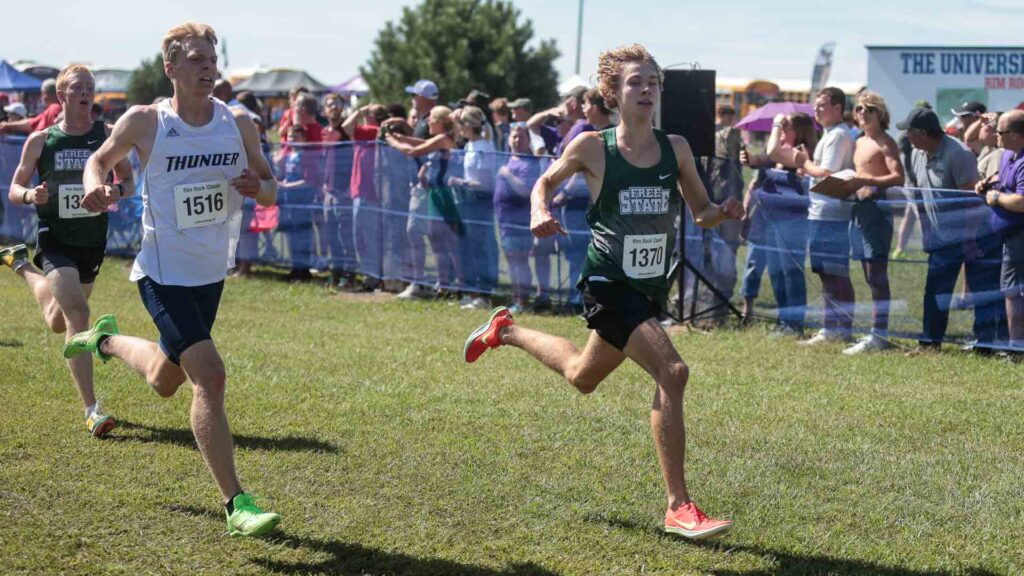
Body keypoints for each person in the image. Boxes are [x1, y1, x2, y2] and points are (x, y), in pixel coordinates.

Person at [464, 44, 743, 540]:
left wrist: (725, 210)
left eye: (653, 82)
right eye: (636, 82)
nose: (647, 90)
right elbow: (543, 184)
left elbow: (700, 211)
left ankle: (504, 331)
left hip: (648, 287)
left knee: (581, 375)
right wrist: (538, 210)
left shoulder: (675, 147)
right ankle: (679, 506)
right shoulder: (594, 147)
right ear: (614, 92)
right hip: (608, 283)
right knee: (672, 371)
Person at [61, 22, 280, 537]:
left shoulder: (238, 122)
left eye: (213, 59)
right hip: (161, 274)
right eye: (198, 60)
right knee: (211, 375)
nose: (209, 69)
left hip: (210, 276)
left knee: (165, 378)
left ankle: (105, 340)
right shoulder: (146, 122)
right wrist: (96, 188)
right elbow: (99, 160)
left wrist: (258, 186)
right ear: (172, 68)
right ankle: (237, 504)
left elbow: (269, 187)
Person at [0, 65, 134, 438]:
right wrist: (31, 195)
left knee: (59, 320)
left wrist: (115, 192)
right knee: (79, 313)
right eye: (78, 87)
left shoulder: (106, 135)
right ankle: (92, 409)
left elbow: (129, 181)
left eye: (90, 87)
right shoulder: (42, 140)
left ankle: (21, 264)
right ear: (61, 95)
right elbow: (14, 187)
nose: (86, 93)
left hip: (91, 239)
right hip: (54, 238)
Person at [900, 106, 1004, 350]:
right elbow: (921, 196)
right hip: (941, 238)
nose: (907, 137)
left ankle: (985, 343)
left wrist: (968, 241)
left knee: (981, 290)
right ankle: (930, 342)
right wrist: (927, 230)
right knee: (935, 290)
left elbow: (971, 202)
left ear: (922, 133)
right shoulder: (917, 153)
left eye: (910, 132)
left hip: (974, 235)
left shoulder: (958, 154)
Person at [838, 91, 904, 354]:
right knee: (867, 273)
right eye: (858, 109)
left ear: (880, 114)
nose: (862, 113)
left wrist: (867, 182)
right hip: (859, 210)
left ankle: (880, 335)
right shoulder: (859, 140)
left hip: (877, 211)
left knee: (877, 274)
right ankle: (876, 333)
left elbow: (898, 177)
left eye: (868, 109)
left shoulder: (885, 142)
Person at [741, 112, 816, 334]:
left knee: (791, 272)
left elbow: (774, 151)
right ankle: (784, 321)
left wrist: (775, 122)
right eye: (781, 127)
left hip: (792, 222)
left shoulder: (801, 154)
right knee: (776, 272)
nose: (782, 131)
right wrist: (749, 159)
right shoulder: (777, 153)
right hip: (769, 220)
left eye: (787, 127)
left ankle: (795, 323)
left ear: (800, 131)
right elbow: (760, 160)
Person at [796, 87, 856, 345]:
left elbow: (826, 172)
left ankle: (838, 328)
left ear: (837, 108)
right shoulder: (830, 134)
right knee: (825, 273)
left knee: (835, 273)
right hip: (821, 213)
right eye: (816, 106)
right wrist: (808, 169)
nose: (816, 111)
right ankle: (831, 326)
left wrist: (803, 162)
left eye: (822, 106)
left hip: (832, 215)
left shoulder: (839, 135)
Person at [386, 106, 462, 296]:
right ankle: (444, 285)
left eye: (432, 119)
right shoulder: (440, 139)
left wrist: (392, 141)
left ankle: (462, 287)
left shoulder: (442, 138)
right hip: (436, 193)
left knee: (451, 244)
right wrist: (402, 138)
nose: (427, 122)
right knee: (438, 242)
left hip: (446, 195)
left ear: (441, 123)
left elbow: (414, 151)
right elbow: (422, 142)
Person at [978, 109, 1024, 352]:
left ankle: (1017, 346)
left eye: (1001, 131)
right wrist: (987, 184)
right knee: (1012, 291)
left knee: (1014, 291)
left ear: (1016, 135)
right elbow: (1004, 180)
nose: (996, 135)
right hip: (1010, 236)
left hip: (1020, 236)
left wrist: (995, 197)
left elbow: (1022, 201)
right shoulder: (1007, 155)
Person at [448, 105, 498, 309]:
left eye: (461, 124)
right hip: (467, 203)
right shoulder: (470, 145)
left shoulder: (484, 148)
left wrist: (459, 182)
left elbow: (485, 183)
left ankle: (483, 295)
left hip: (479, 203)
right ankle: (472, 291)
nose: (458, 128)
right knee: (467, 248)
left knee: (479, 248)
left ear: (468, 125)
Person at [494, 122, 541, 313]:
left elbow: (525, 191)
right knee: (511, 261)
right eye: (514, 136)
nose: (516, 139)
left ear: (528, 141)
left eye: (521, 136)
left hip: (519, 223)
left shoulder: (529, 163)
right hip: (504, 222)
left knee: (519, 261)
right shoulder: (508, 159)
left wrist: (507, 175)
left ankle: (522, 301)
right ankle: (516, 298)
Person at [342, 104, 388, 291]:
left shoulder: (371, 130)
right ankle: (370, 274)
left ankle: (373, 276)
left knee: (367, 238)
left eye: (367, 114)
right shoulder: (367, 132)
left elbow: (346, 126)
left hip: (368, 193)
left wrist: (360, 111)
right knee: (362, 238)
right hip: (360, 192)